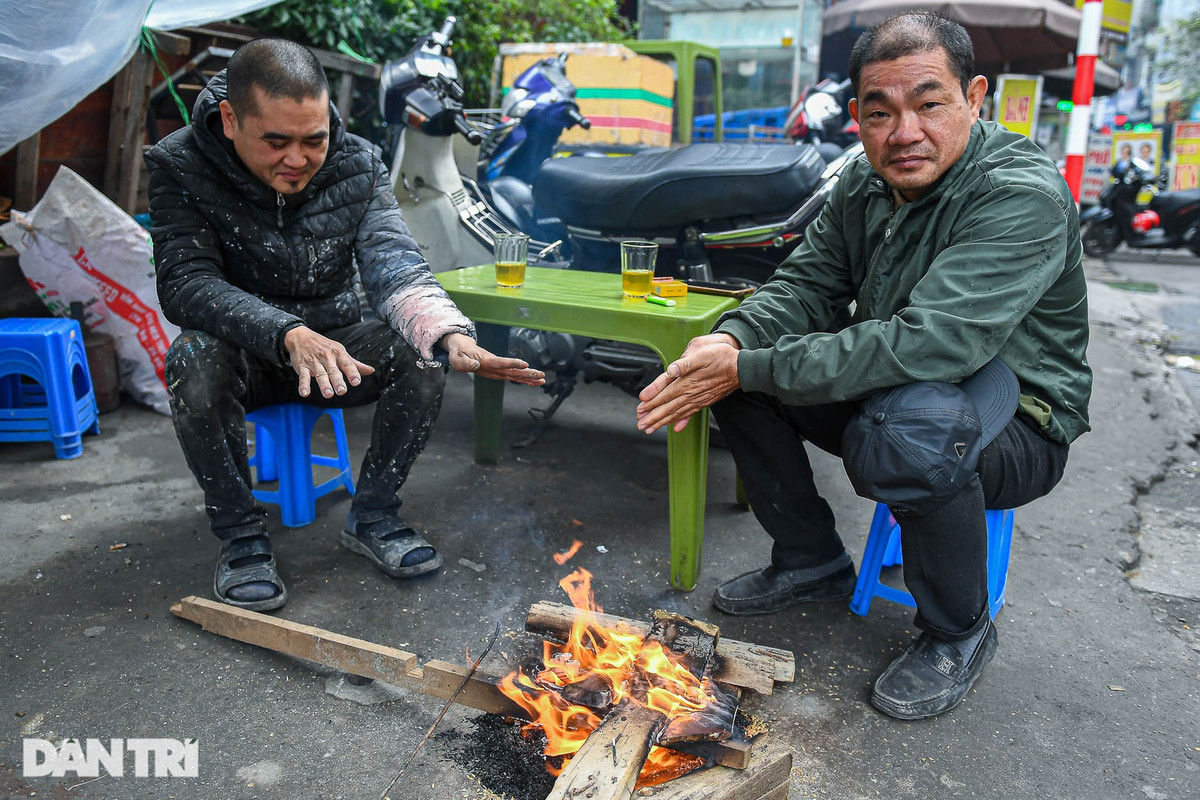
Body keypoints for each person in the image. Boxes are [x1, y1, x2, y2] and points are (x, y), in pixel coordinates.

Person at [635, 11, 1091, 720]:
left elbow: (933, 344)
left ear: (975, 98)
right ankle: (810, 557)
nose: (905, 132)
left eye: (930, 104)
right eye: (881, 113)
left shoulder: (1018, 194)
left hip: (1018, 418)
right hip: (905, 391)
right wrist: (732, 342)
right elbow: (807, 284)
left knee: (911, 429)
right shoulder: (867, 182)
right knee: (737, 370)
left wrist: (752, 365)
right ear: (857, 117)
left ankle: (957, 630)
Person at [145, 38, 544, 612]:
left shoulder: (358, 163)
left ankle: (374, 515)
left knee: (423, 354)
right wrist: (286, 333)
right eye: (276, 142)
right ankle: (242, 540)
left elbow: (393, 262)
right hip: (245, 353)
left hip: (337, 353)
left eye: (313, 140)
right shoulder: (177, 163)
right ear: (230, 120)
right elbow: (185, 284)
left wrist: (450, 334)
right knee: (191, 361)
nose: (298, 160)